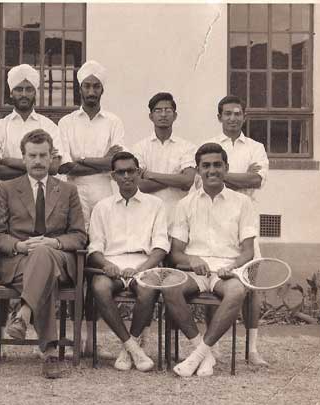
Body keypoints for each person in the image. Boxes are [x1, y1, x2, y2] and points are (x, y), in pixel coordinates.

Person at [0, 129, 86, 379]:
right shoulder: (7, 188)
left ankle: (23, 314)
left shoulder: (68, 190)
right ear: (23, 157)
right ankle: (50, 352)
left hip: (59, 259)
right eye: (32, 156)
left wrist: (54, 242)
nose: (38, 161)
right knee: (45, 275)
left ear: (52, 157)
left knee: (44, 254)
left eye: (43, 155)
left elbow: (79, 235)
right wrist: (20, 246)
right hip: (18, 261)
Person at [165, 143, 256, 377]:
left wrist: (232, 266)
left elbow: (248, 251)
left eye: (217, 165)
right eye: (206, 166)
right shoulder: (185, 204)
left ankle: (198, 355)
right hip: (195, 272)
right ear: (198, 170)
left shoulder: (243, 203)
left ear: (226, 168)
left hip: (227, 271)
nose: (212, 170)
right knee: (169, 288)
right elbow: (176, 253)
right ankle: (204, 354)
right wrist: (192, 259)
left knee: (237, 292)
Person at [201, 95, 270, 366]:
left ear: (244, 116)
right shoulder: (210, 145)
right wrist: (237, 178)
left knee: (251, 286)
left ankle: (251, 349)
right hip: (215, 221)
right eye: (227, 113)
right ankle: (213, 346)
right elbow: (203, 182)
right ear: (219, 117)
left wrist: (219, 176)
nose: (232, 118)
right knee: (213, 281)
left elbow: (256, 179)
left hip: (245, 219)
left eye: (237, 113)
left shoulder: (255, 147)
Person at [88, 152, 169, 372]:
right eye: (121, 172)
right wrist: (106, 265)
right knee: (99, 287)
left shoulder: (156, 204)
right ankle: (133, 346)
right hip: (111, 263)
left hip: (144, 263)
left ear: (138, 172)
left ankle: (128, 349)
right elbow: (95, 247)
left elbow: (161, 246)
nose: (126, 176)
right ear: (113, 176)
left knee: (148, 288)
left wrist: (141, 268)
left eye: (131, 171)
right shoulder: (102, 207)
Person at [58, 60, 126, 227]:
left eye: (96, 86)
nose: (91, 91)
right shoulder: (66, 122)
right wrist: (103, 162)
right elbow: (65, 167)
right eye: (87, 86)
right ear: (80, 88)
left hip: (103, 190)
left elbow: (117, 163)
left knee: (103, 235)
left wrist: (81, 160)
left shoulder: (113, 122)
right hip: (74, 190)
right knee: (77, 236)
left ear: (102, 89)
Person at [0, 64, 65, 180]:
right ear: (11, 93)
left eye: (29, 89)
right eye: (19, 89)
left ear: (35, 93)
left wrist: (8, 161)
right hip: (8, 191)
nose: (24, 94)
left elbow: (53, 168)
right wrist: (39, 167)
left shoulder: (49, 127)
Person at [132, 92, 196, 230]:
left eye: (168, 110)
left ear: (175, 115)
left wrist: (149, 175)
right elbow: (139, 185)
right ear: (151, 116)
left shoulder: (187, 147)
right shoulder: (139, 148)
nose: (163, 114)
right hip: (147, 216)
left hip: (178, 216)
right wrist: (176, 179)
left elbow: (187, 181)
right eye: (158, 110)